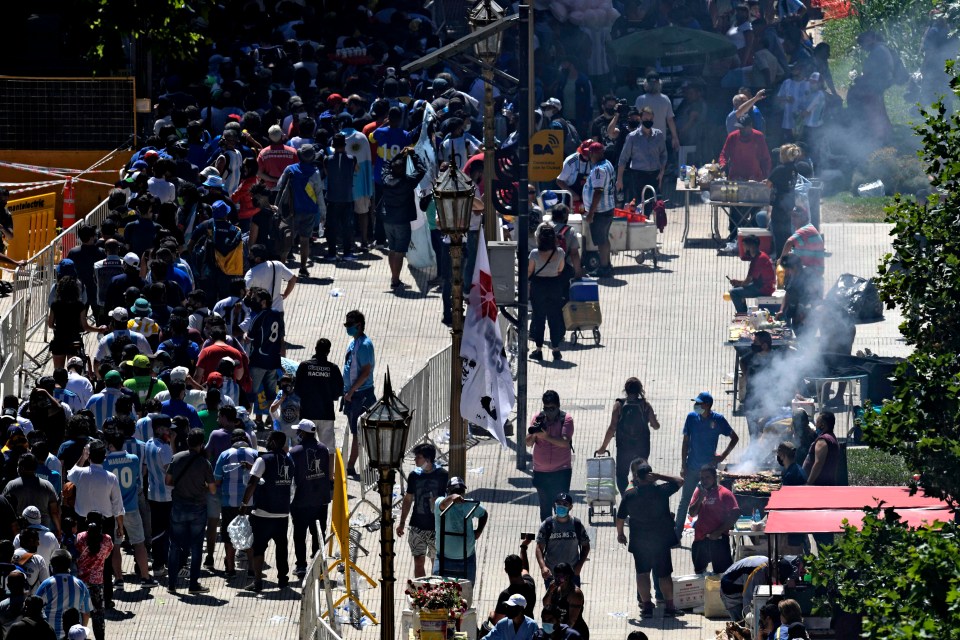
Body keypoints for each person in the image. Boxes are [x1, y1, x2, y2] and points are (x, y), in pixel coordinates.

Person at [616, 460, 684, 618]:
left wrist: (620, 534)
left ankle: (647, 607)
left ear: (637, 478)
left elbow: (620, 518)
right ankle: (669, 607)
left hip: (640, 541)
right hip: (661, 540)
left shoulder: (629, 495)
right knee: (664, 575)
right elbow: (680, 481)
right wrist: (659, 476)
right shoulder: (662, 490)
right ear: (651, 476)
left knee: (642, 573)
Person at [675, 392, 740, 538]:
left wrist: (723, 456)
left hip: (709, 470)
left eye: (699, 403)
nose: (696, 406)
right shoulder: (691, 418)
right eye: (696, 403)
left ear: (707, 405)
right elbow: (685, 442)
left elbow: (734, 438)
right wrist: (683, 465)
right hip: (692, 467)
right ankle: (677, 534)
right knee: (685, 501)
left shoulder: (718, 420)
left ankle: (715, 532)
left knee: (713, 501)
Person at [241, 431, 293, 593]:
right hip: (282, 513)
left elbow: (252, 483)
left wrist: (244, 504)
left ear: (274, 442)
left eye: (269, 439)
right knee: (281, 547)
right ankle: (283, 580)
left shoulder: (262, 460)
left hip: (263, 513)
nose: (267, 442)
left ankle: (257, 583)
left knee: (258, 548)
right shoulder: (289, 461)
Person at [102, 429, 152, 586]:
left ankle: (118, 579)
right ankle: (145, 577)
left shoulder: (105, 462)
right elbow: (137, 479)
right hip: (131, 507)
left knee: (115, 545)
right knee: (139, 543)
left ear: (110, 445)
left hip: (113, 509)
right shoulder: (133, 459)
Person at [595, 377, 661, 495]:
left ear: (625, 389)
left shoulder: (619, 405)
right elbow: (656, 426)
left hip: (624, 447)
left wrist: (603, 447)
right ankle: (642, 496)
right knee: (642, 473)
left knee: (621, 475)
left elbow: (612, 428)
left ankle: (627, 498)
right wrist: (654, 419)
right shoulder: (645, 405)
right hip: (642, 447)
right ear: (640, 390)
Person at [398, 443, 449, 578]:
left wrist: (440, 499)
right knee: (418, 561)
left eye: (418, 457)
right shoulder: (414, 476)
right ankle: (420, 592)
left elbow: (450, 498)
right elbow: (408, 499)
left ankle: (434, 593)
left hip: (436, 526)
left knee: (435, 562)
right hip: (417, 526)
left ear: (428, 459)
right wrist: (402, 522)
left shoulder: (443, 475)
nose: (415, 460)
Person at [288, 419, 331, 579]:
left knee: (299, 534)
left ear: (303, 433)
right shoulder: (324, 449)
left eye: (299, 431)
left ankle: (301, 566)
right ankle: (317, 563)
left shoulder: (294, 452)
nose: (297, 433)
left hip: (300, 501)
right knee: (318, 533)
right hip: (320, 500)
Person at [213, 428, 258, 579]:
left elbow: (217, 480)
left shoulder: (225, 455)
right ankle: (252, 569)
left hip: (229, 502)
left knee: (228, 536)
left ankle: (230, 569)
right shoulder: (255, 454)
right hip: (250, 501)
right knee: (251, 534)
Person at [276, 144, 325, 278]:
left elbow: (279, 186)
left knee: (287, 241)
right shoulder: (314, 173)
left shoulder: (290, 169)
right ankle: (303, 268)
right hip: (309, 211)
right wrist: (323, 214)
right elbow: (319, 194)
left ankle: (281, 269)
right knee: (305, 241)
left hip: (291, 211)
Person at [381, 148, 426, 290]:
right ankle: (395, 280)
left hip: (388, 219)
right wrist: (412, 154)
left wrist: (400, 154)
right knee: (400, 251)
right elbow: (421, 169)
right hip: (402, 220)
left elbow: (387, 164)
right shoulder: (408, 181)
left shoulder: (386, 178)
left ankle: (394, 278)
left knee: (392, 249)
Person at [526, 391, 574, 522]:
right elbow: (528, 442)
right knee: (545, 509)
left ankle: (561, 535)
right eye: (546, 409)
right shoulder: (538, 418)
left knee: (561, 508)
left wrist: (546, 436)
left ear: (558, 406)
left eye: (552, 409)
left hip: (561, 472)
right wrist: (535, 433)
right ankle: (546, 537)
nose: (548, 412)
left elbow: (565, 442)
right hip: (541, 472)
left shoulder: (566, 419)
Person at [433, 476, 487, 583]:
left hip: (467, 559)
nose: (459, 493)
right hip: (444, 558)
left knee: (466, 594)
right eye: (455, 491)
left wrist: (479, 531)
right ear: (448, 491)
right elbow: (443, 504)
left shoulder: (468, 504)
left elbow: (483, 514)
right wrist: (453, 497)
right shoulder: (440, 502)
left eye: (461, 491)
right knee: (438, 593)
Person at [294, 338, 343, 453]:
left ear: (315, 349)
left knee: (305, 448)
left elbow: (297, 389)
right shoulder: (333, 368)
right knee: (329, 450)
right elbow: (339, 390)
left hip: (307, 413)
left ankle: (306, 471)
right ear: (328, 351)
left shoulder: (304, 366)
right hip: (326, 413)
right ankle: (329, 471)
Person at [689, 465, 740, 575]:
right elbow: (692, 513)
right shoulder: (699, 492)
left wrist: (719, 531)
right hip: (700, 538)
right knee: (699, 573)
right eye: (702, 478)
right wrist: (700, 499)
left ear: (715, 477)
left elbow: (735, 514)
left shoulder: (725, 493)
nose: (704, 481)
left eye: (707, 477)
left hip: (719, 539)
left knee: (722, 574)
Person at [342, 310, 375, 476]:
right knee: (357, 431)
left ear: (359, 326)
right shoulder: (353, 342)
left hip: (361, 396)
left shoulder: (364, 345)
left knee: (359, 432)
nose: (347, 328)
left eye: (350, 325)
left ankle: (350, 466)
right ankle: (351, 465)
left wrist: (352, 390)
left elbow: (365, 372)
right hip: (352, 395)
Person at [527, 226, 567, 363]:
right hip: (554, 286)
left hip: (538, 287)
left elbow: (529, 272)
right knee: (554, 318)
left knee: (539, 319)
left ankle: (538, 350)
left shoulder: (534, 254)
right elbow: (560, 269)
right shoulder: (560, 252)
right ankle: (556, 349)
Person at [616, 106, 667, 210]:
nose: (648, 121)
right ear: (640, 119)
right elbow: (623, 159)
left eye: (650, 119)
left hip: (654, 175)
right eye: (646, 119)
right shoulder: (632, 137)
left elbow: (663, 155)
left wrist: (662, 172)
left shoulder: (659, 135)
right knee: (638, 205)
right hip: (637, 176)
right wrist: (619, 179)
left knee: (654, 205)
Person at [535, 492, 590, 587]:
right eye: (559, 503)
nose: (561, 506)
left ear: (570, 507)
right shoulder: (547, 524)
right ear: (554, 505)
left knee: (573, 601)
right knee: (552, 601)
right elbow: (539, 547)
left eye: (565, 504)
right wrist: (543, 567)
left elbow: (586, 546)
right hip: (552, 574)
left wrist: (579, 565)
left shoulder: (577, 524)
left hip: (572, 574)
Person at [74, 512, 113, 640]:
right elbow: (107, 555)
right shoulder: (107, 540)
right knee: (98, 614)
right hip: (97, 582)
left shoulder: (79, 538)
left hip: (80, 582)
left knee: (79, 612)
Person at [143, 417, 173, 579]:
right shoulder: (165, 449)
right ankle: (160, 564)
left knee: (156, 531)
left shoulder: (148, 444)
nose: (170, 432)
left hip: (152, 493)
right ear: (160, 429)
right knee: (165, 532)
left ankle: (158, 564)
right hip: (166, 496)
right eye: (168, 429)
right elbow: (170, 472)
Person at [2, 454, 60, 534]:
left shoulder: (11, 486)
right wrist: (59, 530)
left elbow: (5, 509)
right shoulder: (47, 485)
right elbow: (54, 512)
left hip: (21, 533)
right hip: (44, 531)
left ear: (21, 468)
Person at [583, 141, 616, 277]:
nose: (589, 155)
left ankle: (603, 268)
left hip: (600, 211)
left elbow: (598, 191)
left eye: (590, 153)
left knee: (601, 241)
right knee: (604, 238)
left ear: (593, 154)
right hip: (608, 208)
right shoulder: (607, 163)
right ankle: (607, 264)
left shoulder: (598, 170)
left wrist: (590, 213)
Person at [764, 144, 802, 259]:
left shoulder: (779, 169)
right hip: (790, 206)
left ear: (783, 156)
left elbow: (768, 185)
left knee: (779, 235)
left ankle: (780, 259)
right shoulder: (794, 168)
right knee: (787, 234)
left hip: (779, 206)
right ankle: (789, 258)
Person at [244, 244, 298, 316]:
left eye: (251, 255)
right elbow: (293, 279)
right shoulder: (277, 264)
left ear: (258, 258)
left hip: (260, 313)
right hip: (278, 310)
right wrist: (285, 295)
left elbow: (244, 290)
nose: (249, 257)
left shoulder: (251, 273)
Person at [728, 235, 776, 314]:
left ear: (751, 246)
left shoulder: (759, 260)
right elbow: (753, 279)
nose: (743, 249)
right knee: (738, 288)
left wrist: (739, 284)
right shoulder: (761, 256)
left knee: (734, 292)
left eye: (744, 246)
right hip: (763, 286)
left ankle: (742, 314)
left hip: (764, 289)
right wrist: (738, 283)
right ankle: (743, 312)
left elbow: (747, 281)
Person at [633, 73, 680, 152]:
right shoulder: (665, 99)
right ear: (659, 84)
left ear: (646, 84)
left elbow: (636, 119)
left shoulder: (640, 99)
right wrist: (675, 137)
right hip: (660, 139)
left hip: (643, 138)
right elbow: (670, 120)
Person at [776, 254, 821, 337]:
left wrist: (807, 317)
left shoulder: (809, 275)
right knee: (798, 339)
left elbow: (815, 299)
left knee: (806, 341)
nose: (786, 272)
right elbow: (788, 293)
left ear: (795, 267)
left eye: (788, 269)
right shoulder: (791, 275)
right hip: (795, 314)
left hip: (808, 318)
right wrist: (782, 310)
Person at [803, 411, 839, 486]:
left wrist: (808, 483)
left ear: (822, 425)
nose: (815, 425)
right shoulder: (831, 437)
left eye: (817, 422)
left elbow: (818, 463)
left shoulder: (823, 440)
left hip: (819, 484)